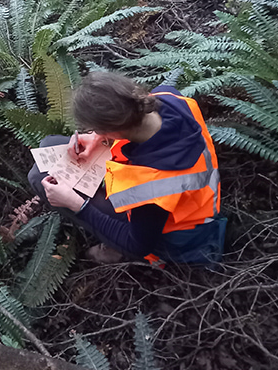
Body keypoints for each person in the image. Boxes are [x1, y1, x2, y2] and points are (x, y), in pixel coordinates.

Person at [28, 71, 225, 266]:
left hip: (177, 237)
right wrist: (100, 138)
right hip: (195, 203)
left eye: (96, 129)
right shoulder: (169, 97)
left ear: (113, 128)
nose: (94, 133)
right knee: (50, 143)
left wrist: (78, 206)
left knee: (38, 176)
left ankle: (115, 250)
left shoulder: (150, 185)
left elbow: (138, 245)